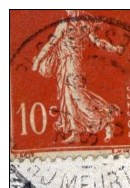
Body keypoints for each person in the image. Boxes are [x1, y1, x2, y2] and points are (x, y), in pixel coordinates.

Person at [31, 10, 124, 143]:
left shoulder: (75, 25)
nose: (68, 11)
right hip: (65, 65)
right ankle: (75, 132)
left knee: (78, 97)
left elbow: (51, 44)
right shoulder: (78, 24)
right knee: (68, 98)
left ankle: (105, 121)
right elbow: (51, 44)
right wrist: (37, 61)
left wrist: (37, 61)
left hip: (73, 65)